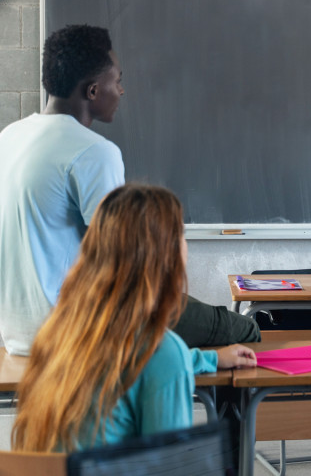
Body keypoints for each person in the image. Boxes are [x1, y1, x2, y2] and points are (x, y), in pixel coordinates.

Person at [0, 24, 259, 356]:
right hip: (75, 330)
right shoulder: (93, 151)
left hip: (17, 332)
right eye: (118, 81)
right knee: (244, 328)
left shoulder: (10, 137)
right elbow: (124, 266)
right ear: (93, 91)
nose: (121, 91)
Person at [11, 184, 256, 451]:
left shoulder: (58, 333)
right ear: (165, 255)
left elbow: (134, 361)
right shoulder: (162, 352)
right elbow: (168, 468)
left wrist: (211, 358)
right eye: (181, 234)